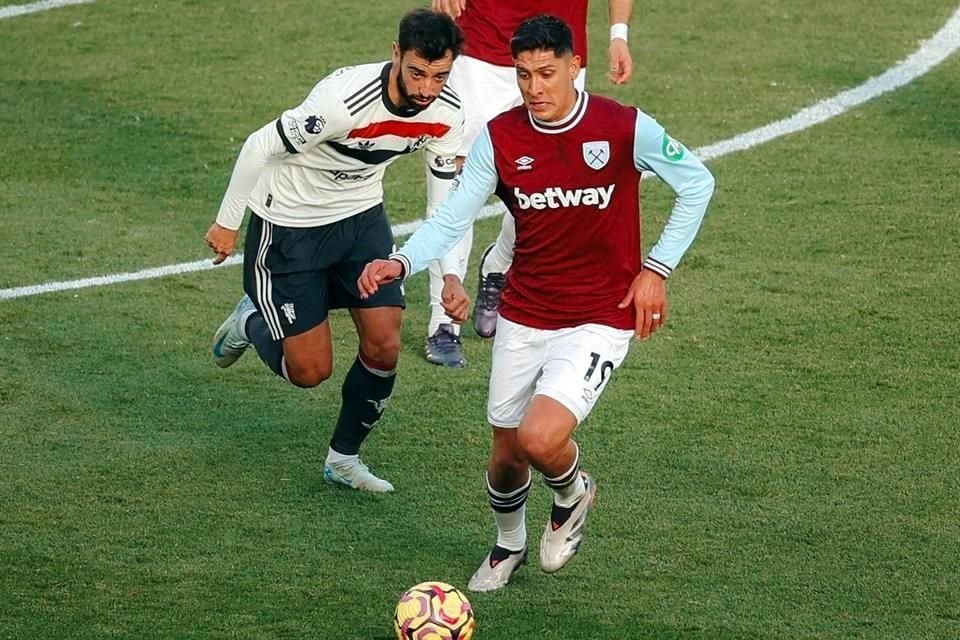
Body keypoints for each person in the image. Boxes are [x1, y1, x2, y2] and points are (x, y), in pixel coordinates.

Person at [358, 14, 714, 590]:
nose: (534, 88)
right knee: (505, 453)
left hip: (599, 318)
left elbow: (697, 183)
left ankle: (575, 491)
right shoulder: (500, 138)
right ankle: (508, 546)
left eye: (547, 73)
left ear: (576, 66)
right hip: (525, 314)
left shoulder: (622, 126)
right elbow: (452, 216)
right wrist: (402, 261)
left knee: (540, 437)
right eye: (524, 75)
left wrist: (657, 269)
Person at [203, 9, 466, 493]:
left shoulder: (448, 114)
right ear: (396, 55)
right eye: (417, 72)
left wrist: (449, 275)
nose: (428, 87)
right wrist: (226, 222)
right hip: (291, 223)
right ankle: (251, 321)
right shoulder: (345, 102)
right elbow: (261, 144)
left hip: (360, 220)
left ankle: (343, 460)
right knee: (310, 372)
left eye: (440, 75)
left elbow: (443, 205)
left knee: (385, 343)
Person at [421, 0, 635, 368]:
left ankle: (498, 264)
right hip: (481, 49)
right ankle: (443, 322)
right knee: (458, 180)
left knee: (552, 181)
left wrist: (619, 33)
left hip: (558, 46)